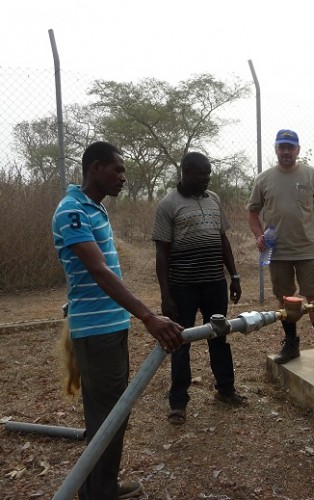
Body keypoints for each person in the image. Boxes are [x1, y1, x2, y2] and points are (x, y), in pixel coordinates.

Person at [52, 141, 185, 499]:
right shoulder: (72, 212)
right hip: (96, 332)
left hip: (110, 326)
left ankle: (99, 487)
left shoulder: (94, 209)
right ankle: (100, 491)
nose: (123, 177)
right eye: (118, 169)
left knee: (111, 413)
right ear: (95, 168)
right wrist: (147, 316)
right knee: (109, 415)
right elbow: (98, 271)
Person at [152, 152, 246, 426]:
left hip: (214, 282)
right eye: (202, 174)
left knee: (219, 335)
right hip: (183, 286)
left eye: (209, 174)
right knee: (180, 343)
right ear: (186, 172)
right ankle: (178, 403)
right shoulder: (168, 205)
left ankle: (226, 390)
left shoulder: (214, 199)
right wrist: (166, 295)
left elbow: (222, 239)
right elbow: (162, 255)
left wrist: (234, 275)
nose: (207, 178)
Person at [247, 129, 314, 368]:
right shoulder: (264, 179)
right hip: (277, 251)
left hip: (307, 248)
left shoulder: (311, 175)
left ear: (298, 149)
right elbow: (252, 211)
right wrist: (259, 235)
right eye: (282, 147)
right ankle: (291, 344)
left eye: (290, 147)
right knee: (284, 299)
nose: (286, 152)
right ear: (275, 149)